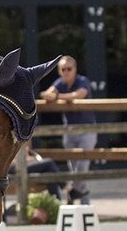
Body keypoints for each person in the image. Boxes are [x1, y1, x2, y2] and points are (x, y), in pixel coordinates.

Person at [40, 55, 96, 204]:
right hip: (69, 131)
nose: (66, 72)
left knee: (82, 166)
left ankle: (72, 192)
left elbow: (79, 95)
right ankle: (84, 202)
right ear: (59, 71)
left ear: (75, 69)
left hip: (87, 129)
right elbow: (46, 94)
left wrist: (57, 96)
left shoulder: (82, 81)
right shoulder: (60, 83)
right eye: (63, 69)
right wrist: (53, 95)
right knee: (73, 167)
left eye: (69, 69)